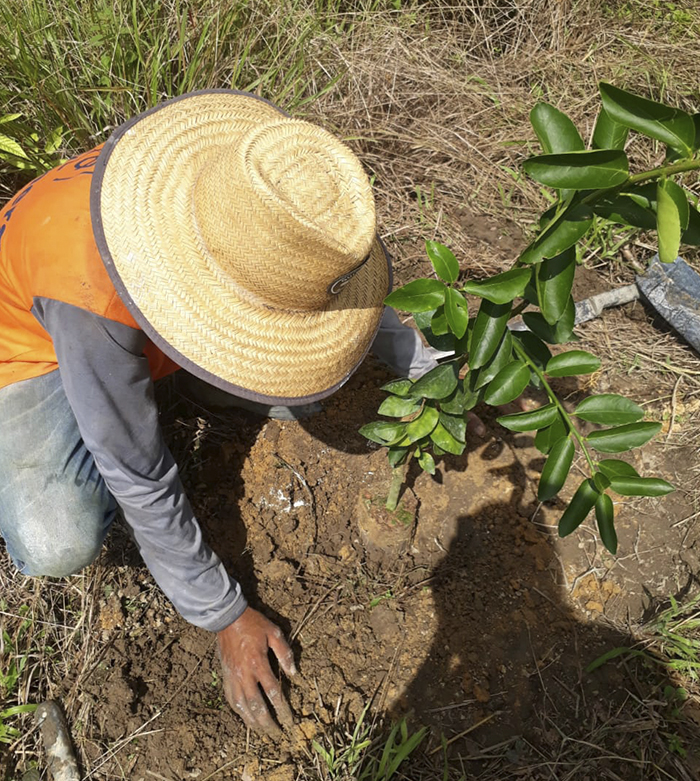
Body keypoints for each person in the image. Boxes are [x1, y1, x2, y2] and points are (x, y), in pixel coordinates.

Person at [0, 89, 443, 736]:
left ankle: (160, 380)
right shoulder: (92, 297)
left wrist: (429, 360)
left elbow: (334, 297)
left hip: (122, 313)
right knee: (54, 536)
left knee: (309, 390)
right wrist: (224, 614)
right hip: (30, 348)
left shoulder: (259, 189)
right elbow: (138, 472)